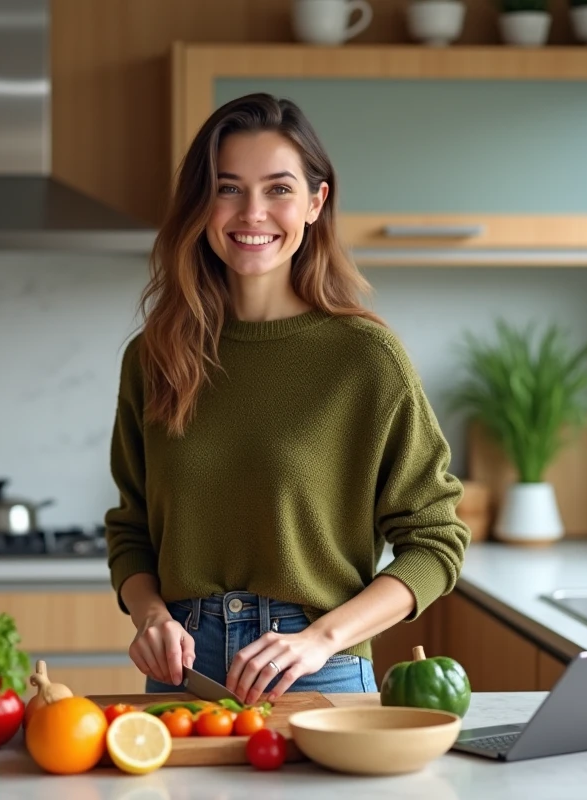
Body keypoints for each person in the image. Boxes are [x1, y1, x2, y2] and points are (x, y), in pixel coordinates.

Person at [103, 92, 470, 707]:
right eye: (227, 188)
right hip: (179, 674)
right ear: (202, 204)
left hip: (316, 670)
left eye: (278, 189)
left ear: (314, 203)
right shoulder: (155, 355)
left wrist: (323, 638)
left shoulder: (365, 357)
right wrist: (149, 616)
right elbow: (132, 528)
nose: (252, 213)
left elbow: (436, 540)